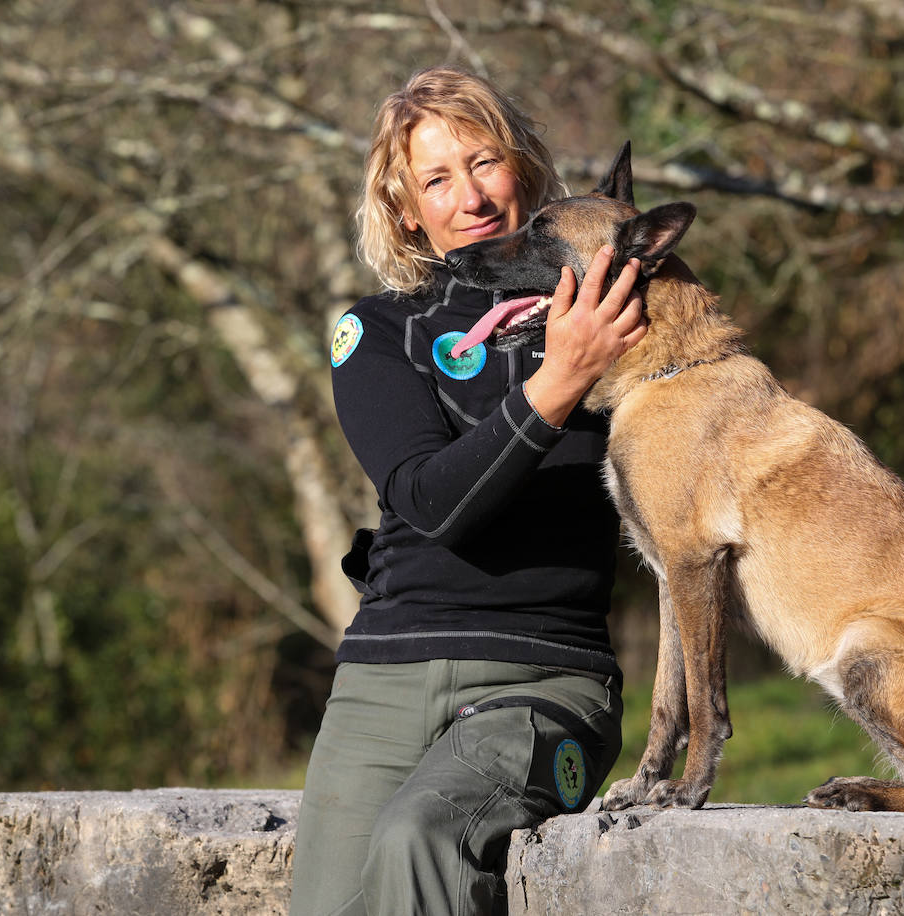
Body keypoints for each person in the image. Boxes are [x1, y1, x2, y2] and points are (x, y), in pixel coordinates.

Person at [288, 66, 647, 916]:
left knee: (424, 839)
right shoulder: (378, 331)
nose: (471, 197)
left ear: (522, 166)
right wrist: (560, 383)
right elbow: (432, 500)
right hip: (385, 675)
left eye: (484, 163)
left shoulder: (625, 318)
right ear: (407, 207)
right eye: (437, 179)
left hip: (547, 682)